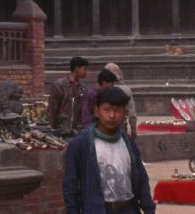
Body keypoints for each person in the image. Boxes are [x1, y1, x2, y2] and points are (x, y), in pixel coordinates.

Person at [62, 86, 156, 214]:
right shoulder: (81, 144)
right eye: (107, 110)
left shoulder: (129, 143)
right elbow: (70, 187)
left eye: (117, 110)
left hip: (128, 208)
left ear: (124, 113)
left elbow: (142, 181)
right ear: (97, 110)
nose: (112, 115)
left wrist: (148, 208)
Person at [49, 56, 90, 136]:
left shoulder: (84, 88)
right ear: (77, 68)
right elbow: (52, 110)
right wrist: (51, 130)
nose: (86, 72)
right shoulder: (59, 85)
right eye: (84, 69)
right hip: (61, 130)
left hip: (78, 131)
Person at [103, 62, 138, 138]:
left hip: (105, 127)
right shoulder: (126, 90)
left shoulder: (103, 90)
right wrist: (133, 130)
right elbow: (132, 113)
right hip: (121, 126)